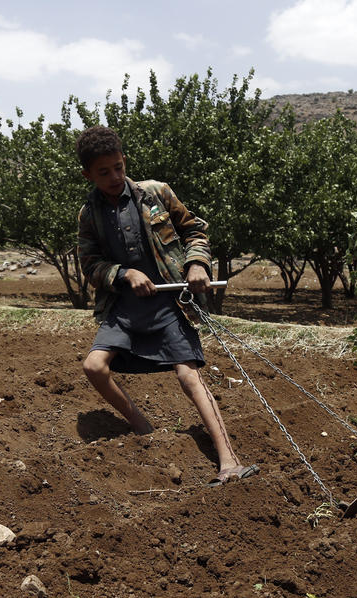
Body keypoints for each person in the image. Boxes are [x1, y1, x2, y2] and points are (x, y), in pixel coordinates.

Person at [76, 125, 256, 486]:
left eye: (119, 167)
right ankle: (144, 430)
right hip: (124, 308)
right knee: (94, 367)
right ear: (87, 174)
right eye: (103, 172)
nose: (114, 177)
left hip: (169, 303)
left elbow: (195, 231)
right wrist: (124, 273)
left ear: (125, 162)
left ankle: (229, 460)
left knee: (189, 375)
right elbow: (90, 264)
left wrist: (196, 264)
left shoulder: (156, 193)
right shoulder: (88, 215)